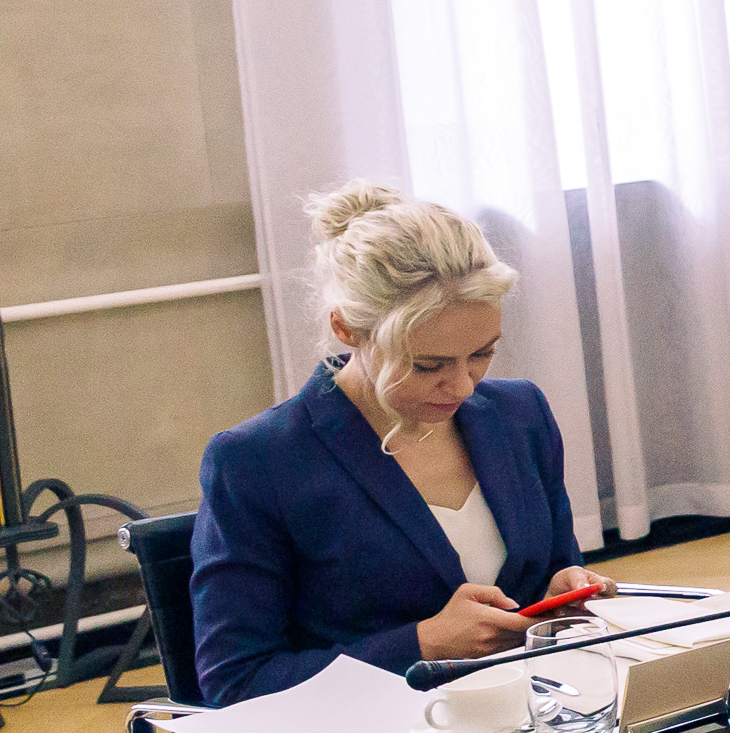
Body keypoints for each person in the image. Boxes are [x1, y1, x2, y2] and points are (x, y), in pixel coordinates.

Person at [192, 185, 604, 705]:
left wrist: (559, 600)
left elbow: (552, 574)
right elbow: (236, 684)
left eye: (482, 353)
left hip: (528, 716)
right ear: (346, 329)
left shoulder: (520, 414)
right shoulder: (258, 460)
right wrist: (420, 644)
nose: (463, 387)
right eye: (427, 365)